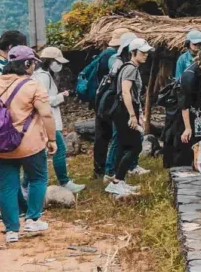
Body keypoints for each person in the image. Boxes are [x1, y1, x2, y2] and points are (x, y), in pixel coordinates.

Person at [0, 46, 56, 241]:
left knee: (6, 186)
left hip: (0, 145)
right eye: (33, 64)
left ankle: (11, 231)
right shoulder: (33, 85)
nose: (33, 67)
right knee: (37, 178)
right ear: (27, 64)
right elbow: (46, 114)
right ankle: (33, 220)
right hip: (30, 144)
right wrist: (51, 139)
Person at [105, 38, 152, 198]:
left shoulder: (129, 67)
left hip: (125, 110)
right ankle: (117, 181)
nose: (145, 55)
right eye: (142, 52)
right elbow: (125, 92)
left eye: (146, 52)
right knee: (135, 147)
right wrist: (132, 115)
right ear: (133, 52)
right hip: (124, 111)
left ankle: (119, 181)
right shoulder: (130, 68)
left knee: (123, 146)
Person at [34, 46, 82, 193]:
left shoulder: (41, 74)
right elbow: (44, 99)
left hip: (47, 118)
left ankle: (31, 183)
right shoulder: (43, 76)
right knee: (60, 149)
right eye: (57, 62)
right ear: (50, 61)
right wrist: (60, 97)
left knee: (43, 152)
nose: (59, 65)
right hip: (49, 119)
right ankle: (64, 181)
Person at [92, 32, 136, 180]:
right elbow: (122, 88)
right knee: (115, 137)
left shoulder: (111, 57)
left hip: (105, 102)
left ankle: (108, 169)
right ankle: (110, 171)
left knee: (110, 137)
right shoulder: (114, 59)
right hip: (113, 103)